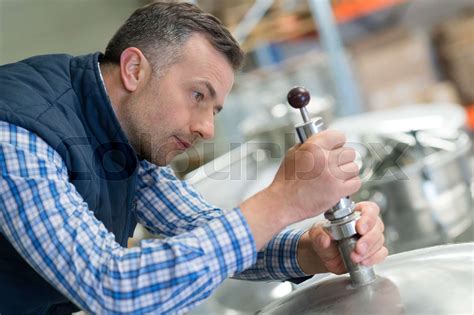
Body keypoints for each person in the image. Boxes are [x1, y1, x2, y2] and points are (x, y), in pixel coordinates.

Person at [0, 2, 387, 314]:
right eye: (198, 95)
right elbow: (113, 289)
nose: (207, 129)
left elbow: (199, 227)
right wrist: (281, 202)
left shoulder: (122, 131)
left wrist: (309, 251)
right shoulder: (16, 138)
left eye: (215, 110)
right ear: (135, 69)